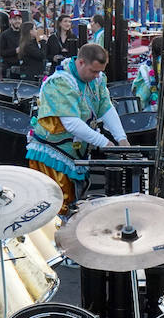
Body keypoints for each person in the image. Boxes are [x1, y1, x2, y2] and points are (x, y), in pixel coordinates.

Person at [25, 42, 129, 211]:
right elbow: (71, 123)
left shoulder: (97, 79)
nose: (97, 76)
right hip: (54, 154)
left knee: (74, 204)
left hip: (76, 153)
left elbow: (106, 107)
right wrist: (106, 143)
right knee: (57, 206)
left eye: (99, 72)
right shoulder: (60, 82)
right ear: (81, 63)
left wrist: (121, 138)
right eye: (93, 71)